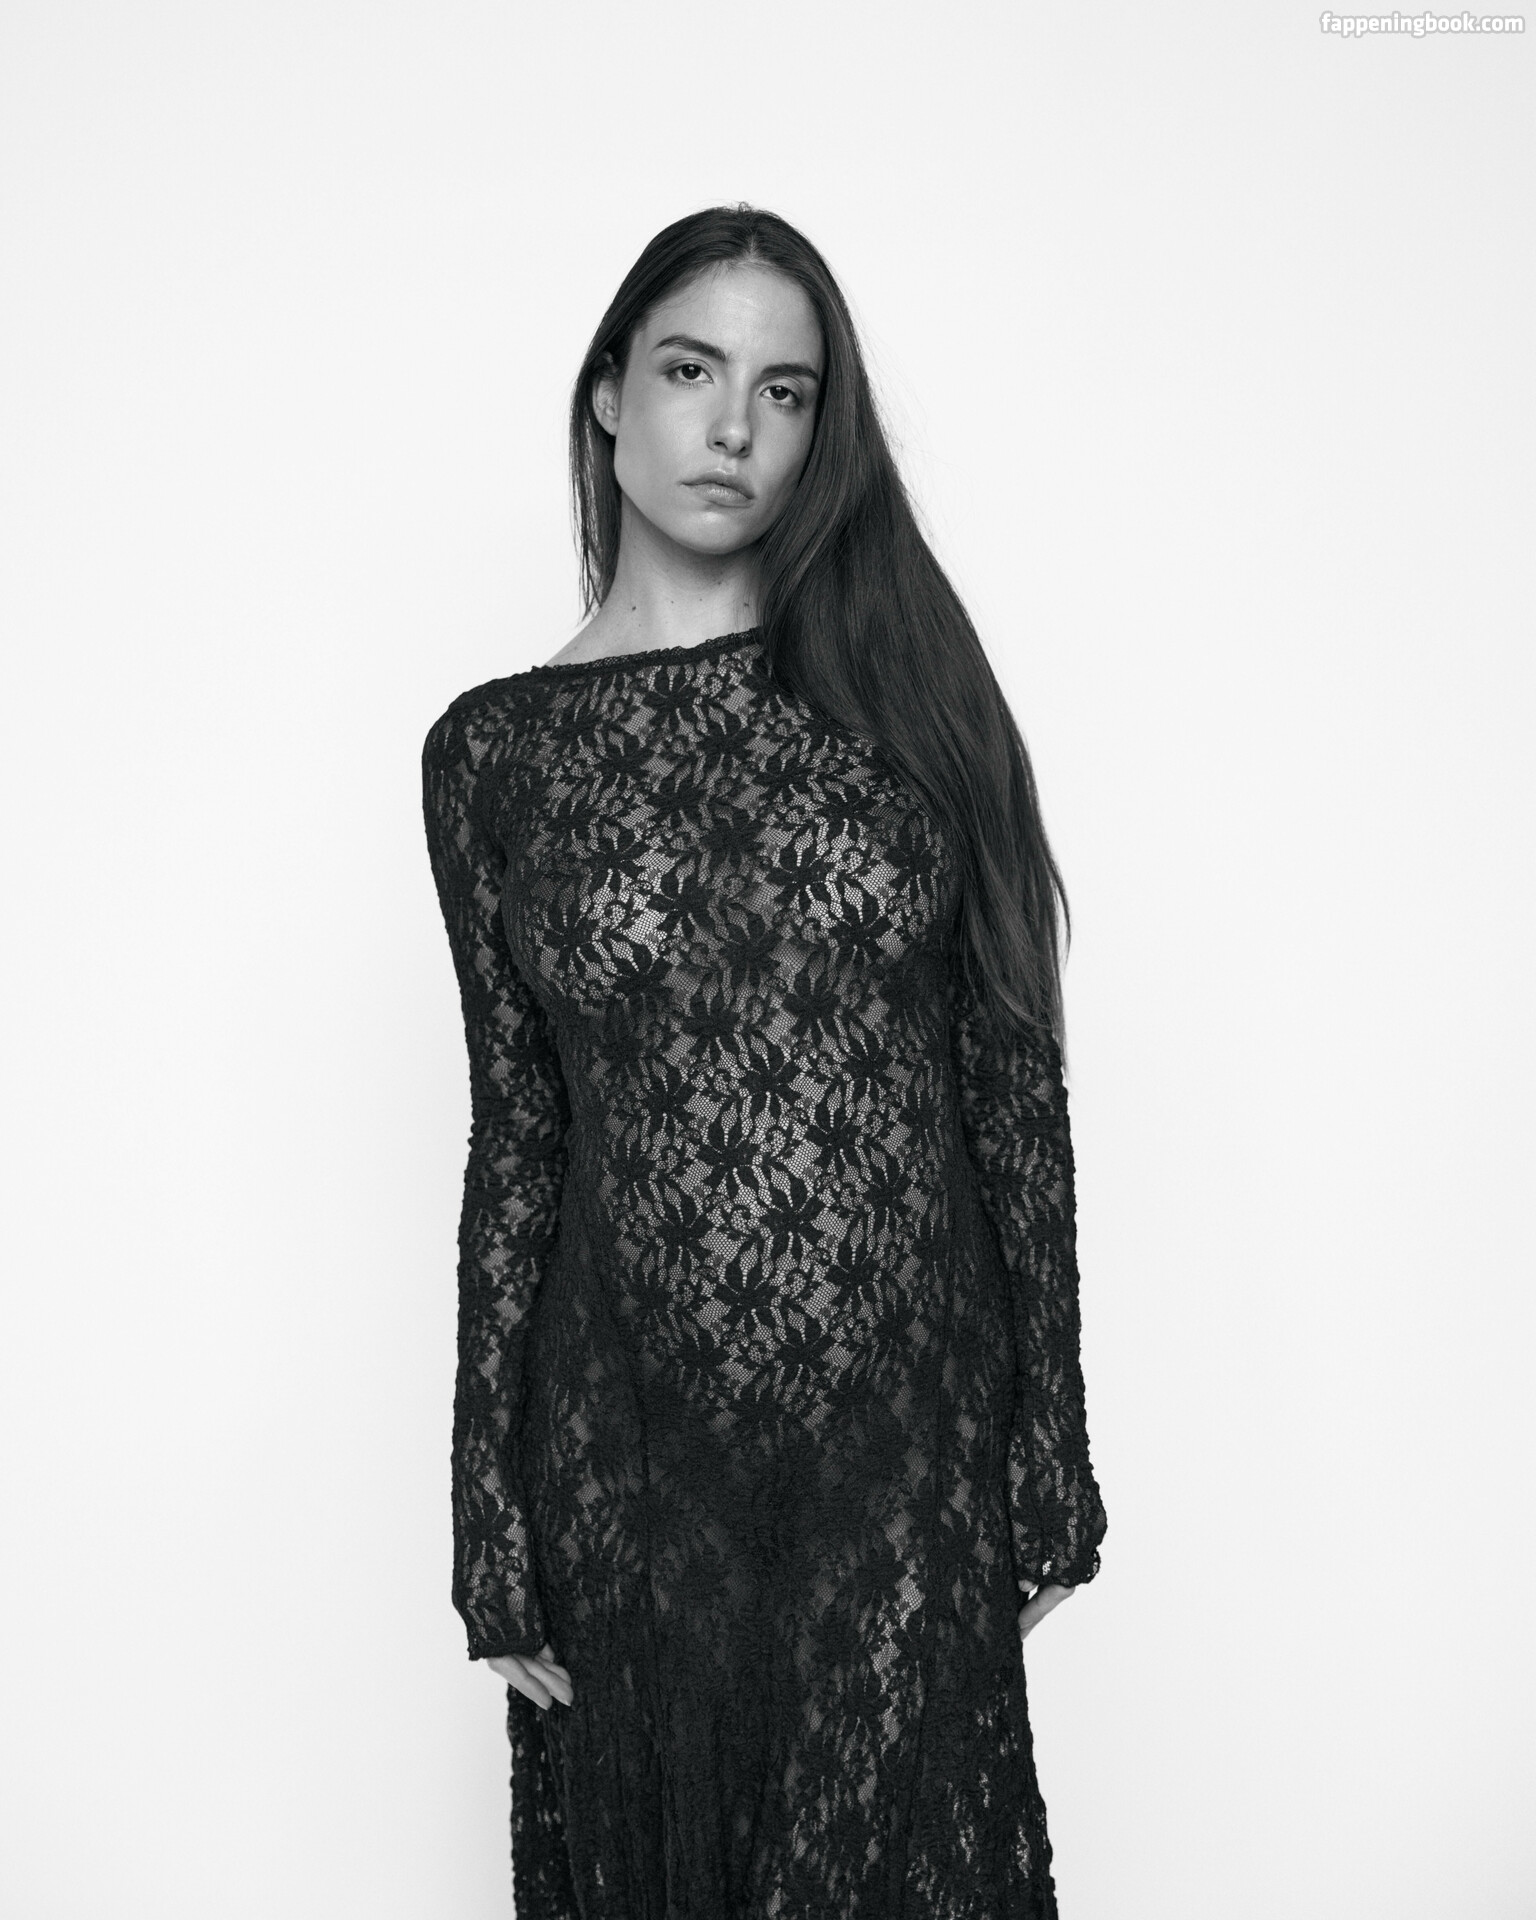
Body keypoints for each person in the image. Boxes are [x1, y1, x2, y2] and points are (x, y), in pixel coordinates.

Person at [421, 203, 1108, 1919]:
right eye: (690, 371)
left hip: (902, 1447)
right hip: (632, 1465)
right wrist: (487, 1508)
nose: (733, 427)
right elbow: (520, 1135)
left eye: (785, 392)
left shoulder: (907, 692)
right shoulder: (491, 755)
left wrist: (1052, 1433)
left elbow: (1009, 1074)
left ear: (822, 428)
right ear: (608, 394)